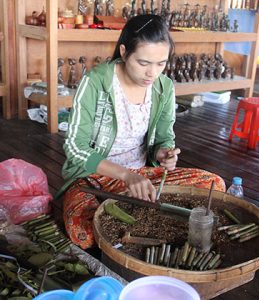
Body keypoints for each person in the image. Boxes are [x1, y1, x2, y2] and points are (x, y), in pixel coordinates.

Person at [60, 14, 225, 249]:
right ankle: (137, 211)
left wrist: (163, 153)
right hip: (94, 179)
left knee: (214, 185)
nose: (153, 73)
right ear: (125, 52)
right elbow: (76, 149)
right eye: (144, 63)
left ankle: (130, 210)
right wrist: (126, 176)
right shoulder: (96, 82)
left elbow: (164, 137)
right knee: (83, 232)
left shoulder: (164, 87)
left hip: (142, 177)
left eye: (161, 63)